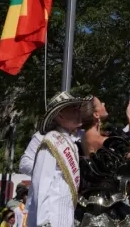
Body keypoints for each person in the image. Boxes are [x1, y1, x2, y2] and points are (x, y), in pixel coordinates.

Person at [75, 98, 130, 227]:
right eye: (100, 103)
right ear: (96, 114)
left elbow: (106, 158)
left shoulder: (89, 137)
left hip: (101, 198)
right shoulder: (95, 138)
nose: (104, 104)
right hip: (102, 203)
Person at [29, 92, 90, 227]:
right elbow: (40, 184)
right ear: (60, 115)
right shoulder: (51, 141)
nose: (79, 112)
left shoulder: (71, 143)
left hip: (65, 218)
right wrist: (43, 222)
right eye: (74, 109)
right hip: (51, 219)